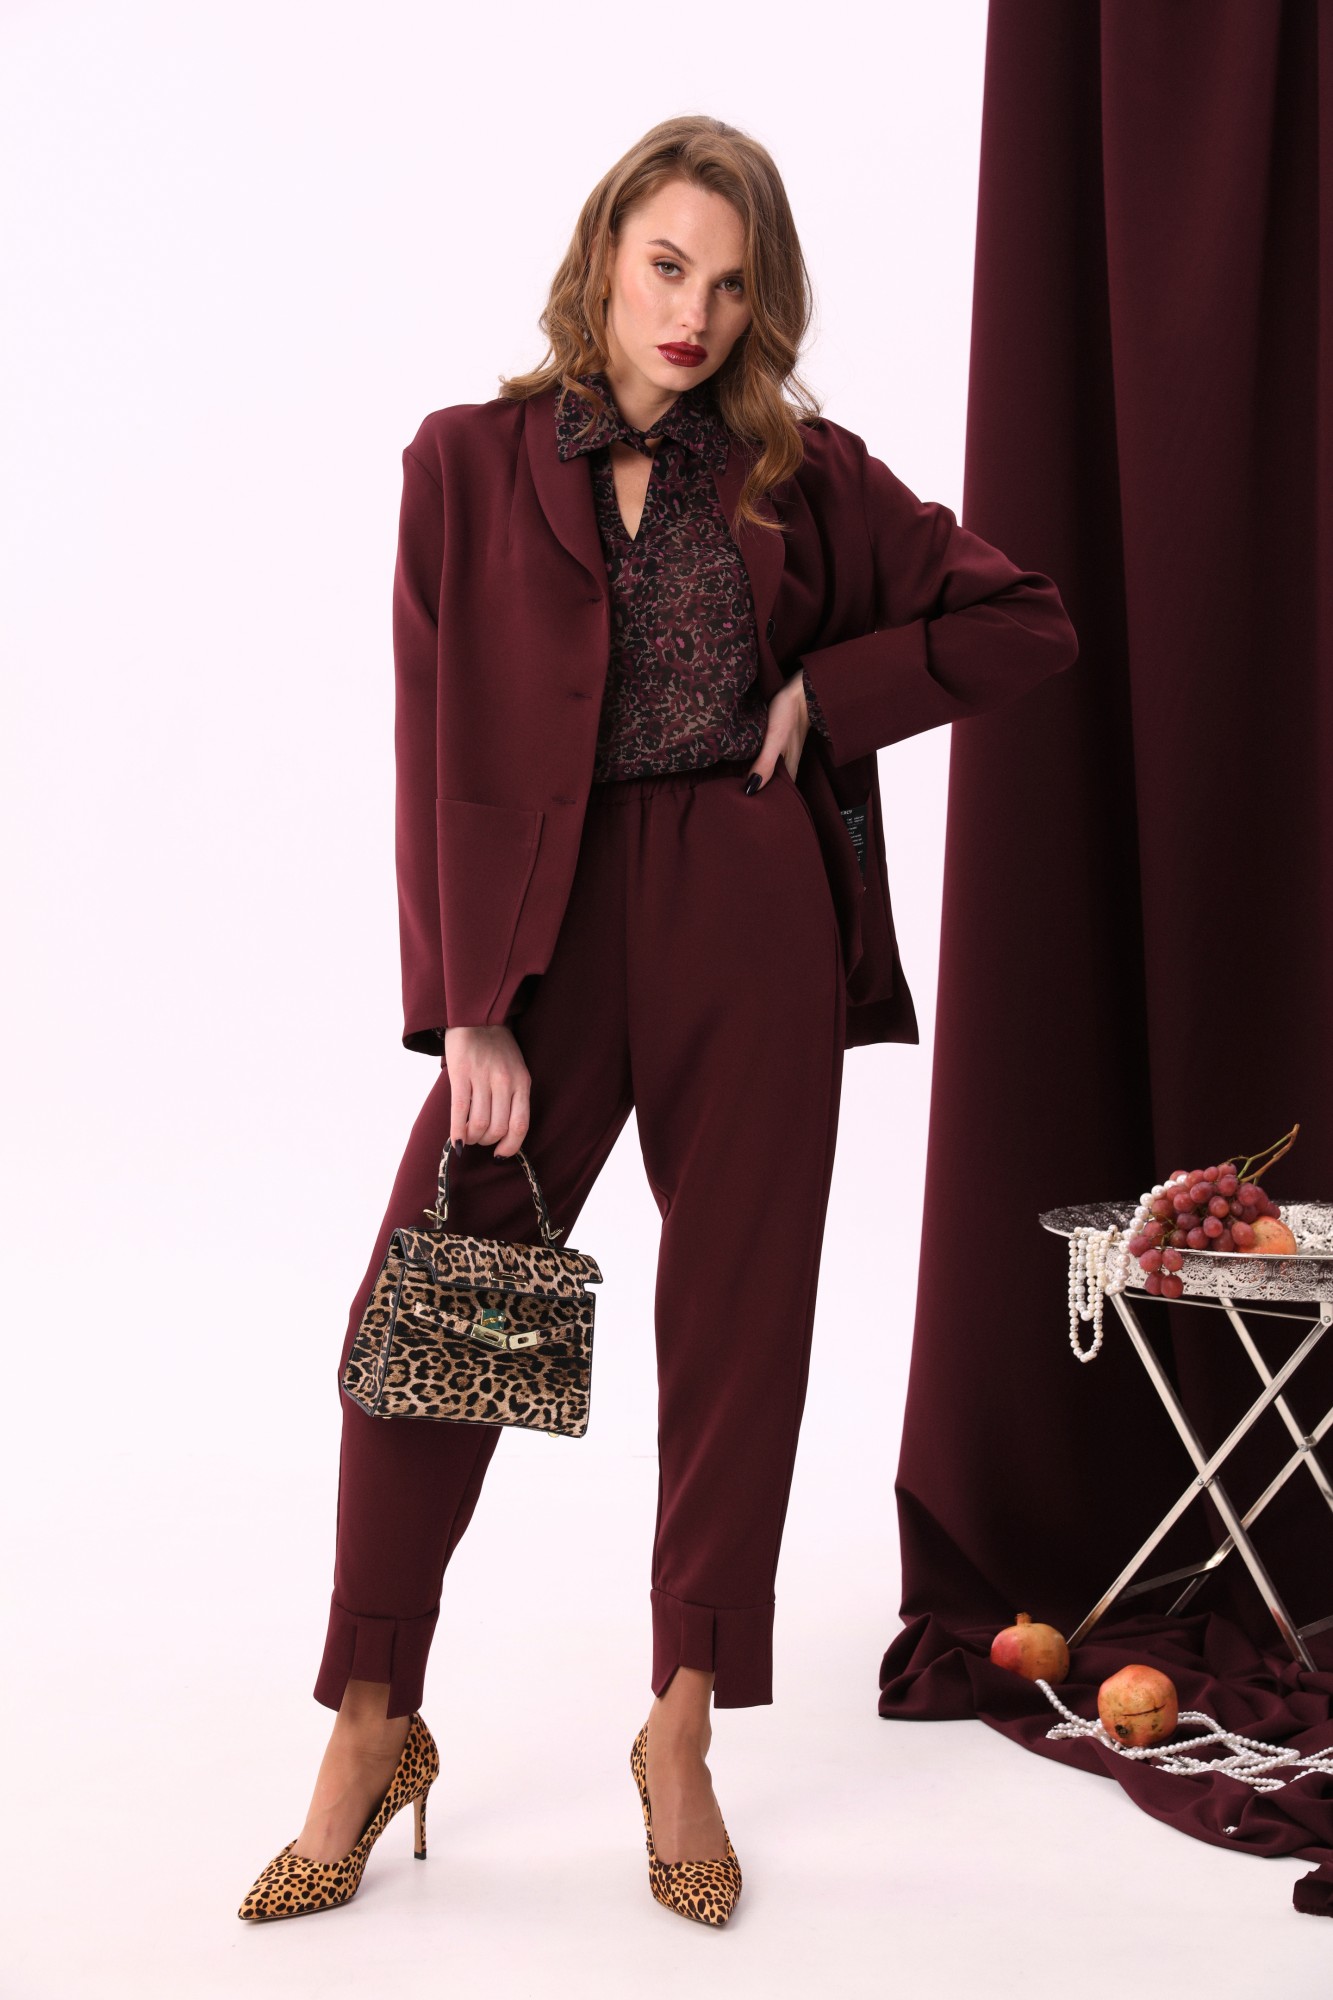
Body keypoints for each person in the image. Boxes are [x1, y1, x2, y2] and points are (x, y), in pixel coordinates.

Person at [237, 113, 1079, 1930]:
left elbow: (1025, 620)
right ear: (605, 254)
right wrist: (466, 1006)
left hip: (747, 910)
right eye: (666, 265)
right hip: (540, 946)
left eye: (730, 284)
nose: (691, 312)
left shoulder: (798, 473)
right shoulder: (463, 462)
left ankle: (682, 1725)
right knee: (435, 1316)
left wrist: (828, 690)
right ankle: (371, 1724)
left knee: (735, 1327)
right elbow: (428, 742)